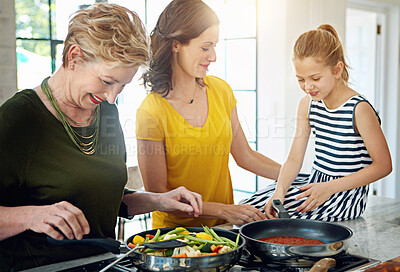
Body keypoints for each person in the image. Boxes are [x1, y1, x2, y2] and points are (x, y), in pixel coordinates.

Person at [0, 3, 202, 271]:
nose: (111, 97)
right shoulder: (19, 117)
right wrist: (31, 215)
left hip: (103, 264)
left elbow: (104, 197)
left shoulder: (106, 112)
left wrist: (159, 200)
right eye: (107, 81)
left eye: (122, 86)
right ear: (74, 57)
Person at [136, 0, 281, 229]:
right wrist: (223, 209)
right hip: (176, 238)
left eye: (214, 46)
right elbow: (160, 196)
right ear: (176, 45)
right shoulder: (151, 112)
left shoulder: (220, 90)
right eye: (205, 47)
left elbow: (245, 156)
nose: (213, 56)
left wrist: (294, 178)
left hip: (224, 231)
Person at [241, 24, 392, 221]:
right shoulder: (307, 105)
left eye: (315, 78)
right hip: (315, 183)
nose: (308, 86)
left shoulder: (359, 109)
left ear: (337, 70)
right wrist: (280, 192)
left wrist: (329, 188)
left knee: (292, 222)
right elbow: (295, 159)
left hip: (343, 194)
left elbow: (383, 165)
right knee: (250, 208)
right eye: (301, 79)